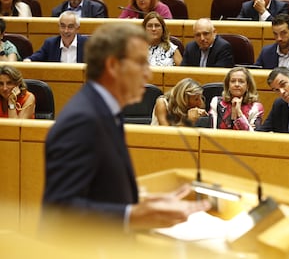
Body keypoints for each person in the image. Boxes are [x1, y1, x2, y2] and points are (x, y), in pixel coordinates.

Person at [42, 23, 211, 237]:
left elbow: (96, 189)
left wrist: (142, 201)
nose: (148, 74)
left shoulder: (107, 110)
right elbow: (61, 211)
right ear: (113, 66)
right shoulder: (82, 120)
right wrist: (133, 214)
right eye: (141, 63)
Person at [209, 67, 264, 131]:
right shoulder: (216, 102)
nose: (237, 84)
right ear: (228, 85)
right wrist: (248, 125)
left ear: (248, 86)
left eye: (241, 81)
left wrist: (239, 112)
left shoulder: (256, 107)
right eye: (233, 81)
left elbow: (254, 136)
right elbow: (212, 131)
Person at [24, 11, 88, 63]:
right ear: (59, 27)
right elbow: (35, 57)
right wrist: (28, 60)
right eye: (63, 26)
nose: (66, 31)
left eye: (70, 27)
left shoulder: (87, 44)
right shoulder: (50, 44)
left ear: (77, 29)